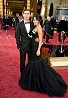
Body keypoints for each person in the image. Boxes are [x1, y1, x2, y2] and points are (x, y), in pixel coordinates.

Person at [19, 13, 67, 96]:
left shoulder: (40, 28)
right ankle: (33, 80)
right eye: (33, 19)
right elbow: (31, 36)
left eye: (35, 20)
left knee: (36, 63)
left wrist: (38, 50)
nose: (34, 21)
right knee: (32, 62)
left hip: (36, 48)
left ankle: (38, 81)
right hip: (31, 47)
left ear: (39, 21)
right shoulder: (34, 26)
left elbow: (41, 41)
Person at [16, 9, 34, 75]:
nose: (26, 15)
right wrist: (19, 46)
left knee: (31, 61)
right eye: (25, 13)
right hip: (23, 46)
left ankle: (29, 74)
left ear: (30, 15)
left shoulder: (33, 23)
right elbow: (17, 36)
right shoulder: (19, 24)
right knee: (22, 62)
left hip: (32, 46)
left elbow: (35, 34)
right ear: (23, 14)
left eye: (28, 13)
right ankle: (23, 75)